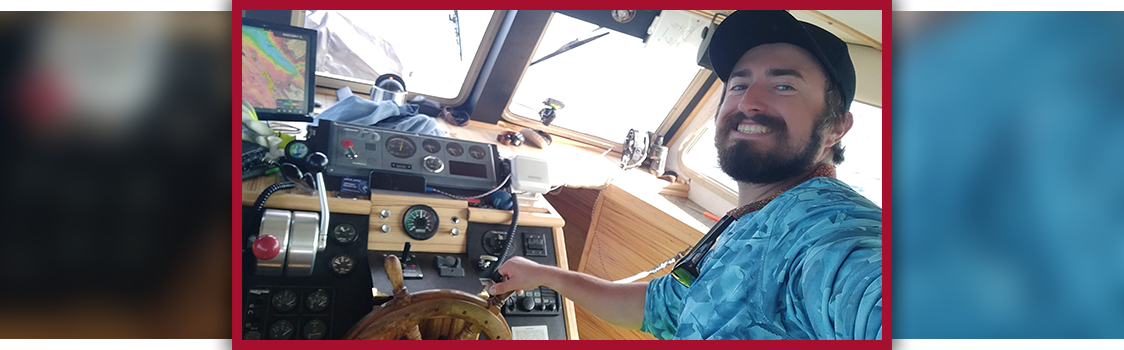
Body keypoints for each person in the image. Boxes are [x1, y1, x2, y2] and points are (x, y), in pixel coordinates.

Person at [488, 10, 882, 340]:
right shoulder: (751, 216)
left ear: (835, 127)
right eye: (739, 84)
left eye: (784, 85)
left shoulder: (833, 231)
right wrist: (545, 275)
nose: (749, 101)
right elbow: (659, 308)